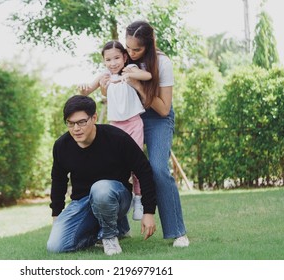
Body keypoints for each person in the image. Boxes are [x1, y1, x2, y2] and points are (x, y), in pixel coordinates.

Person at [99, 20, 189, 247]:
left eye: (136, 49)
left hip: (156, 117)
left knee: (158, 168)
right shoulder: (123, 60)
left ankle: (178, 232)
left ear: (148, 46)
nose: (130, 53)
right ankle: (120, 228)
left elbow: (164, 108)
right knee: (118, 168)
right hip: (129, 118)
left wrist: (139, 87)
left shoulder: (162, 63)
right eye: (128, 48)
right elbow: (110, 91)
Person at [46, 95, 157, 255]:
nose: (76, 128)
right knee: (55, 246)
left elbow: (144, 171)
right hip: (83, 202)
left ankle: (109, 236)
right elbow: (58, 181)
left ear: (94, 118)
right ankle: (117, 227)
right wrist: (56, 214)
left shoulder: (116, 138)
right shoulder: (62, 146)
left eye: (81, 122)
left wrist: (148, 212)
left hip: (117, 197)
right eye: (70, 123)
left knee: (101, 189)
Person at [78, 40, 152, 221]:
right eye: (108, 59)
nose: (113, 63)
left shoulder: (130, 69)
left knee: (136, 163)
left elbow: (148, 75)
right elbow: (86, 92)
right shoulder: (104, 77)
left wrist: (132, 74)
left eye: (117, 58)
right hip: (116, 127)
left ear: (124, 57)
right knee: (118, 166)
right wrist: (83, 89)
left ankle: (139, 198)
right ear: (103, 61)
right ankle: (120, 207)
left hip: (133, 123)